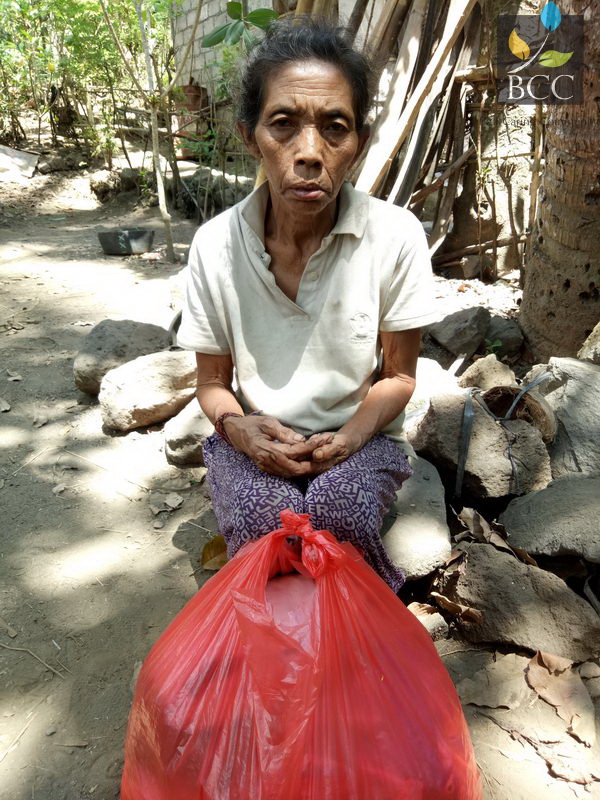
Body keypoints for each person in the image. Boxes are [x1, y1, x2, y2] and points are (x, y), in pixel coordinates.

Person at [177, 19, 439, 592]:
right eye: (283, 125)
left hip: (357, 437)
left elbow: (399, 376)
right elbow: (212, 382)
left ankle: (355, 620)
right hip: (255, 439)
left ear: (358, 142)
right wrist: (238, 429)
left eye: (334, 128)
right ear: (250, 138)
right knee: (263, 527)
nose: (310, 153)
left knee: (336, 514)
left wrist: (351, 438)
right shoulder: (216, 245)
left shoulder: (395, 235)